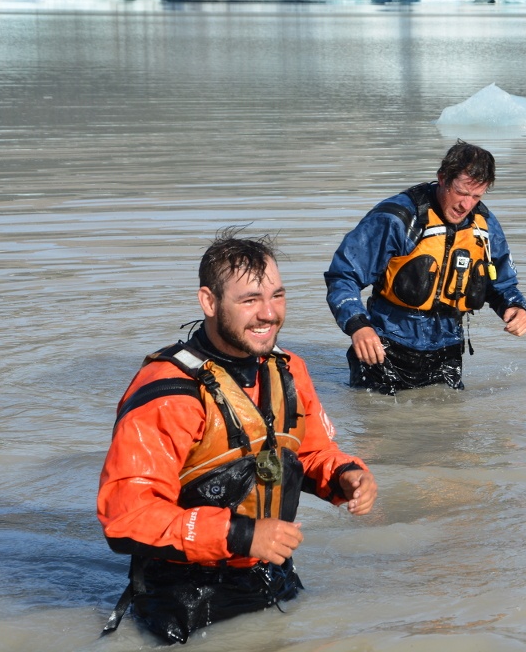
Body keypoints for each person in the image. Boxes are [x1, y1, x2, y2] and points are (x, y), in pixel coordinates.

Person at [97, 229, 377, 644]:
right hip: (185, 599)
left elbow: (312, 452)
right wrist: (242, 535)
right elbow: (126, 518)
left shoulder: (289, 369)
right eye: (250, 300)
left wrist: (348, 476)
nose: (269, 314)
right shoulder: (169, 393)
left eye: (277, 296)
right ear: (209, 302)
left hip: (274, 576)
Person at [325, 141, 526, 395]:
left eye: (476, 196)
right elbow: (343, 275)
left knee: (447, 429)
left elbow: (502, 284)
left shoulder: (484, 226)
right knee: (377, 423)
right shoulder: (396, 219)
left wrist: (515, 307)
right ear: (442, 178)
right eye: (461, 192)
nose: (466, 205)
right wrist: (358, 326)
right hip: (384, 351)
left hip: (447, 354)